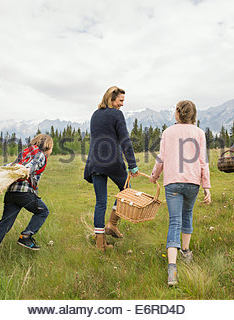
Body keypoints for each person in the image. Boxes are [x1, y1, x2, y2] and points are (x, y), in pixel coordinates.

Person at [149, 100, 211, 286]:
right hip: (192, 182)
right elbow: (203, 162)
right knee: (188, 215)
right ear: (193, 115)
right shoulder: (199, 133)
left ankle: (172, 268)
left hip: (173, 182)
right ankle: (186, 251)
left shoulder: (168, 132)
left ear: (178, 113)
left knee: (174, 221)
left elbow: (161, 158)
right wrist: (206, 186)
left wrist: (154, 175)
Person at [0, 134, 53, 264]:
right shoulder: (40, 154)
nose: (51, 151)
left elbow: (11, 166)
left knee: (5, 223)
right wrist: (27, 170)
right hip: (24, 193)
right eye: (51, 148)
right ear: (48, 146)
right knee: (43, 211)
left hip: (11, 193)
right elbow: (31, 166)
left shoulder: (24, 153)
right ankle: (26, 236)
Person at [84, 86, 139, 250]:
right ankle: (112, 224)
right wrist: (133, 165)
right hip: (111, 162)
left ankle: (100, 244)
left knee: (100, 203)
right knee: (126, 190)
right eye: (120, 100)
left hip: (95, 162)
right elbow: (125, 141)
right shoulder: (116, 114)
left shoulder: (95, 114)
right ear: (111, 98)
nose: (122, 104)